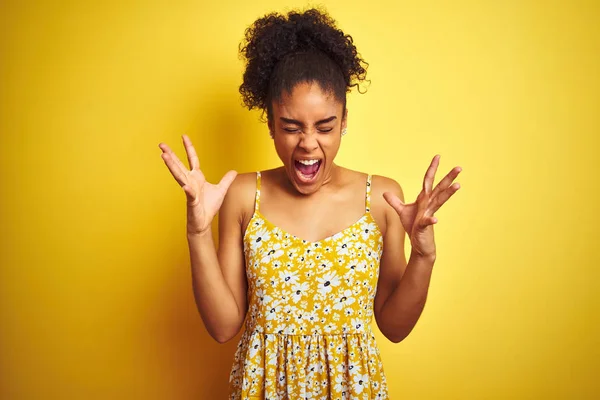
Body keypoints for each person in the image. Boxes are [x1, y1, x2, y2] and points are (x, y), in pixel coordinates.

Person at [158, 7, 461, 400]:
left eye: (325, 126)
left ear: (344, 121)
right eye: (290, 127)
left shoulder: (383, 199)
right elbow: (222, 327)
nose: (307, 143)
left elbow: (395, 327)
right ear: (269, 123)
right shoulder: (242, 196)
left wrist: (424, 256)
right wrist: (197, 232)